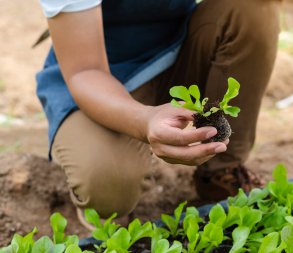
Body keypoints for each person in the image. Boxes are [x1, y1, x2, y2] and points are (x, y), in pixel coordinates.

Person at [36, 0, 280, 218]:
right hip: (100, 77)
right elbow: (86, 70)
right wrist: (144, 120)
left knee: (254, 9)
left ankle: (220, 171)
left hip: (178, 52)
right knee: (108, 183)